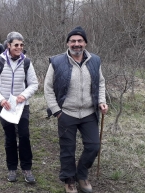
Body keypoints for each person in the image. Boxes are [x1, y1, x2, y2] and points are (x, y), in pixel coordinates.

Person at [44, 26, 109, 193]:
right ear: (67, 43)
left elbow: (100, 82)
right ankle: (69, 180)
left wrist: (101, 101)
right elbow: (48, 87)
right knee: (67, 150)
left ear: (85, 43)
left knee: (94, 146)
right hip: (66, 113)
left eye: (80, 40)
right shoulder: (57, 62)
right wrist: (57, 111)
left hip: (89, 113)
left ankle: (81, 174)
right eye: (73, 41)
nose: (76, 44)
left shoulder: (95, 60)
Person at [0, 31, 39, 184]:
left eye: (21, 45)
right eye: (16, 45)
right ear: (8, 45)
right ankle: (12, 168)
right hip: (4, 106)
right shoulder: (0, 61)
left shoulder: (27, 62)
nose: (19, 47)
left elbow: (34, 84)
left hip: (22, 106)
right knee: (10, 137)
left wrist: (24, 95)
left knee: (24, 136)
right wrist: (1, 100)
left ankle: (27, 168)